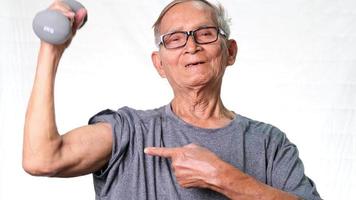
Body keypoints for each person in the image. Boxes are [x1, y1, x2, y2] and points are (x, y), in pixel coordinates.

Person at [23, 0, 322, 199]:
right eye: (175, 39)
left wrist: (224, 177)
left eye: (204, 33)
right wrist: (51, 50)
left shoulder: (269, 143)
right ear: (159, 64)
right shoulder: (129, 131)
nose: (191, 46)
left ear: (229, 51)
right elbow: (41, 159)